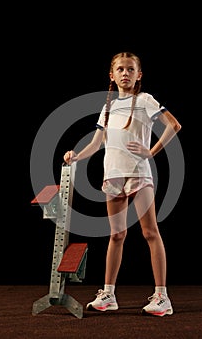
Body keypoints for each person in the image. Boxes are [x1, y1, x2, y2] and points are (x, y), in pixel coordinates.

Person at [63, 51, 182, 317]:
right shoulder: (108, 108)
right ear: (112, 75)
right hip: (113, 175)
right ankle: (108, 294)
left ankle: (162, 297)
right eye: (120, 69)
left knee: (150, 232)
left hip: (139, 173)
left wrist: (150, 152)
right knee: (116, 235)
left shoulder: (145, 101)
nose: (125, 73)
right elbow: (96, 143)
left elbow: (174, 125)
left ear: (139, 75)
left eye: (130, 69)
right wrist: (76, 155)